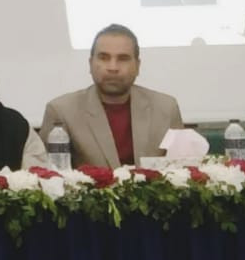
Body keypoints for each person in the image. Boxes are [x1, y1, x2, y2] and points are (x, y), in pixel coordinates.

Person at [40, 24, 183, 168]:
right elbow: (50, 175)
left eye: (123, 59)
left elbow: (183, 170)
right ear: (90, 64)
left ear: (138, 66)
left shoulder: (166, 108)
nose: (113, 67)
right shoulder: (62, 111)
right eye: (104, 58)